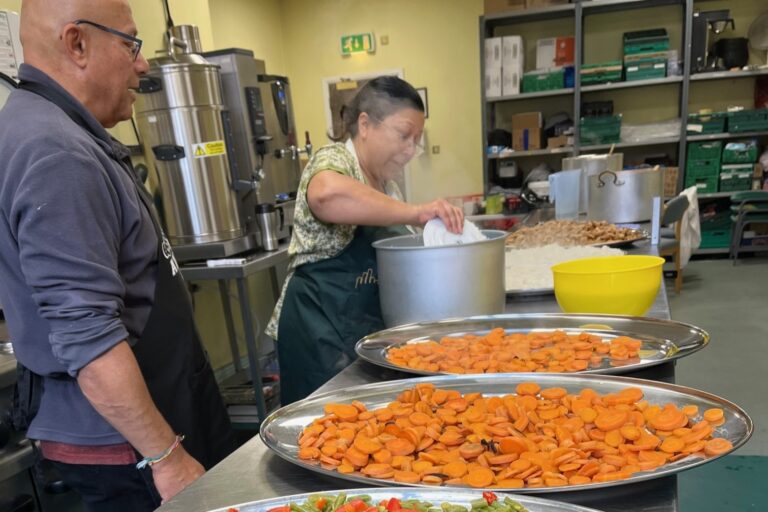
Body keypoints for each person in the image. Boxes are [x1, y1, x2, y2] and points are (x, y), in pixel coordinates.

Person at [0, 1, 236, 510]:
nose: (143, 63)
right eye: (131, 43)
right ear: (76, 43)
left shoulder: (66, 130)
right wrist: (167, 459)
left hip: (159, 410)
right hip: (125, 450)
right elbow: (87, 332)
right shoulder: (54, 151)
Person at [266, 76, 464, 404]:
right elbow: (326, 196)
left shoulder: (389, 186)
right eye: (403, 135)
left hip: (363, 331)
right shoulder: (334, 160)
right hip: (318, 330)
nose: (410, 150)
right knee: (323, 429)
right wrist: (416, 213)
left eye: (416, 140)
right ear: (365, 124)